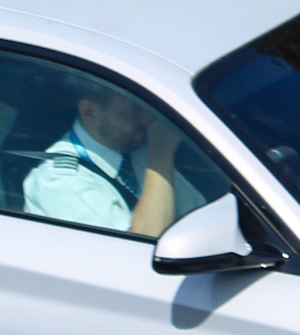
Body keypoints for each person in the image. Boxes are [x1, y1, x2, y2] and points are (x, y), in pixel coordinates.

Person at [22, 79, 190, 238]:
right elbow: (141, 246)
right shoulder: (61, 180)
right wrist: (160, 154)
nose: (147, 119)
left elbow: (193, 212)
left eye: (147, 109)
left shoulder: (134, 149)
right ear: (89, 113)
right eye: (131, 113)